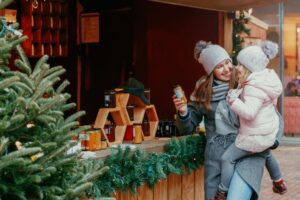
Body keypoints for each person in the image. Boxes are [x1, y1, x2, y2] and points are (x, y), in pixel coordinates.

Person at [173, 41, 276, 200]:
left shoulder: (246, 84)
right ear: (211, 71)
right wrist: (184, 112)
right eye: (219, 66)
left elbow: (270, 114)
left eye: (228, 62)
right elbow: (187, 128)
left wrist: (272, 140)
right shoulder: (202, 93)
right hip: (216, 160)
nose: (227, 68)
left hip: (245, 154)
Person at [213, 41, 287, 199]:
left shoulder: (252, 86)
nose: (235, 67)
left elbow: (251, 113)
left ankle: (222, 191)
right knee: (266, 152)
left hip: (253, 140)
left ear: (250, 67)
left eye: (240, 64)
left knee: (228, 158)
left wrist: (233, 100)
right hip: (263, 136)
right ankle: (279, 181)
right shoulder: (264, 83)